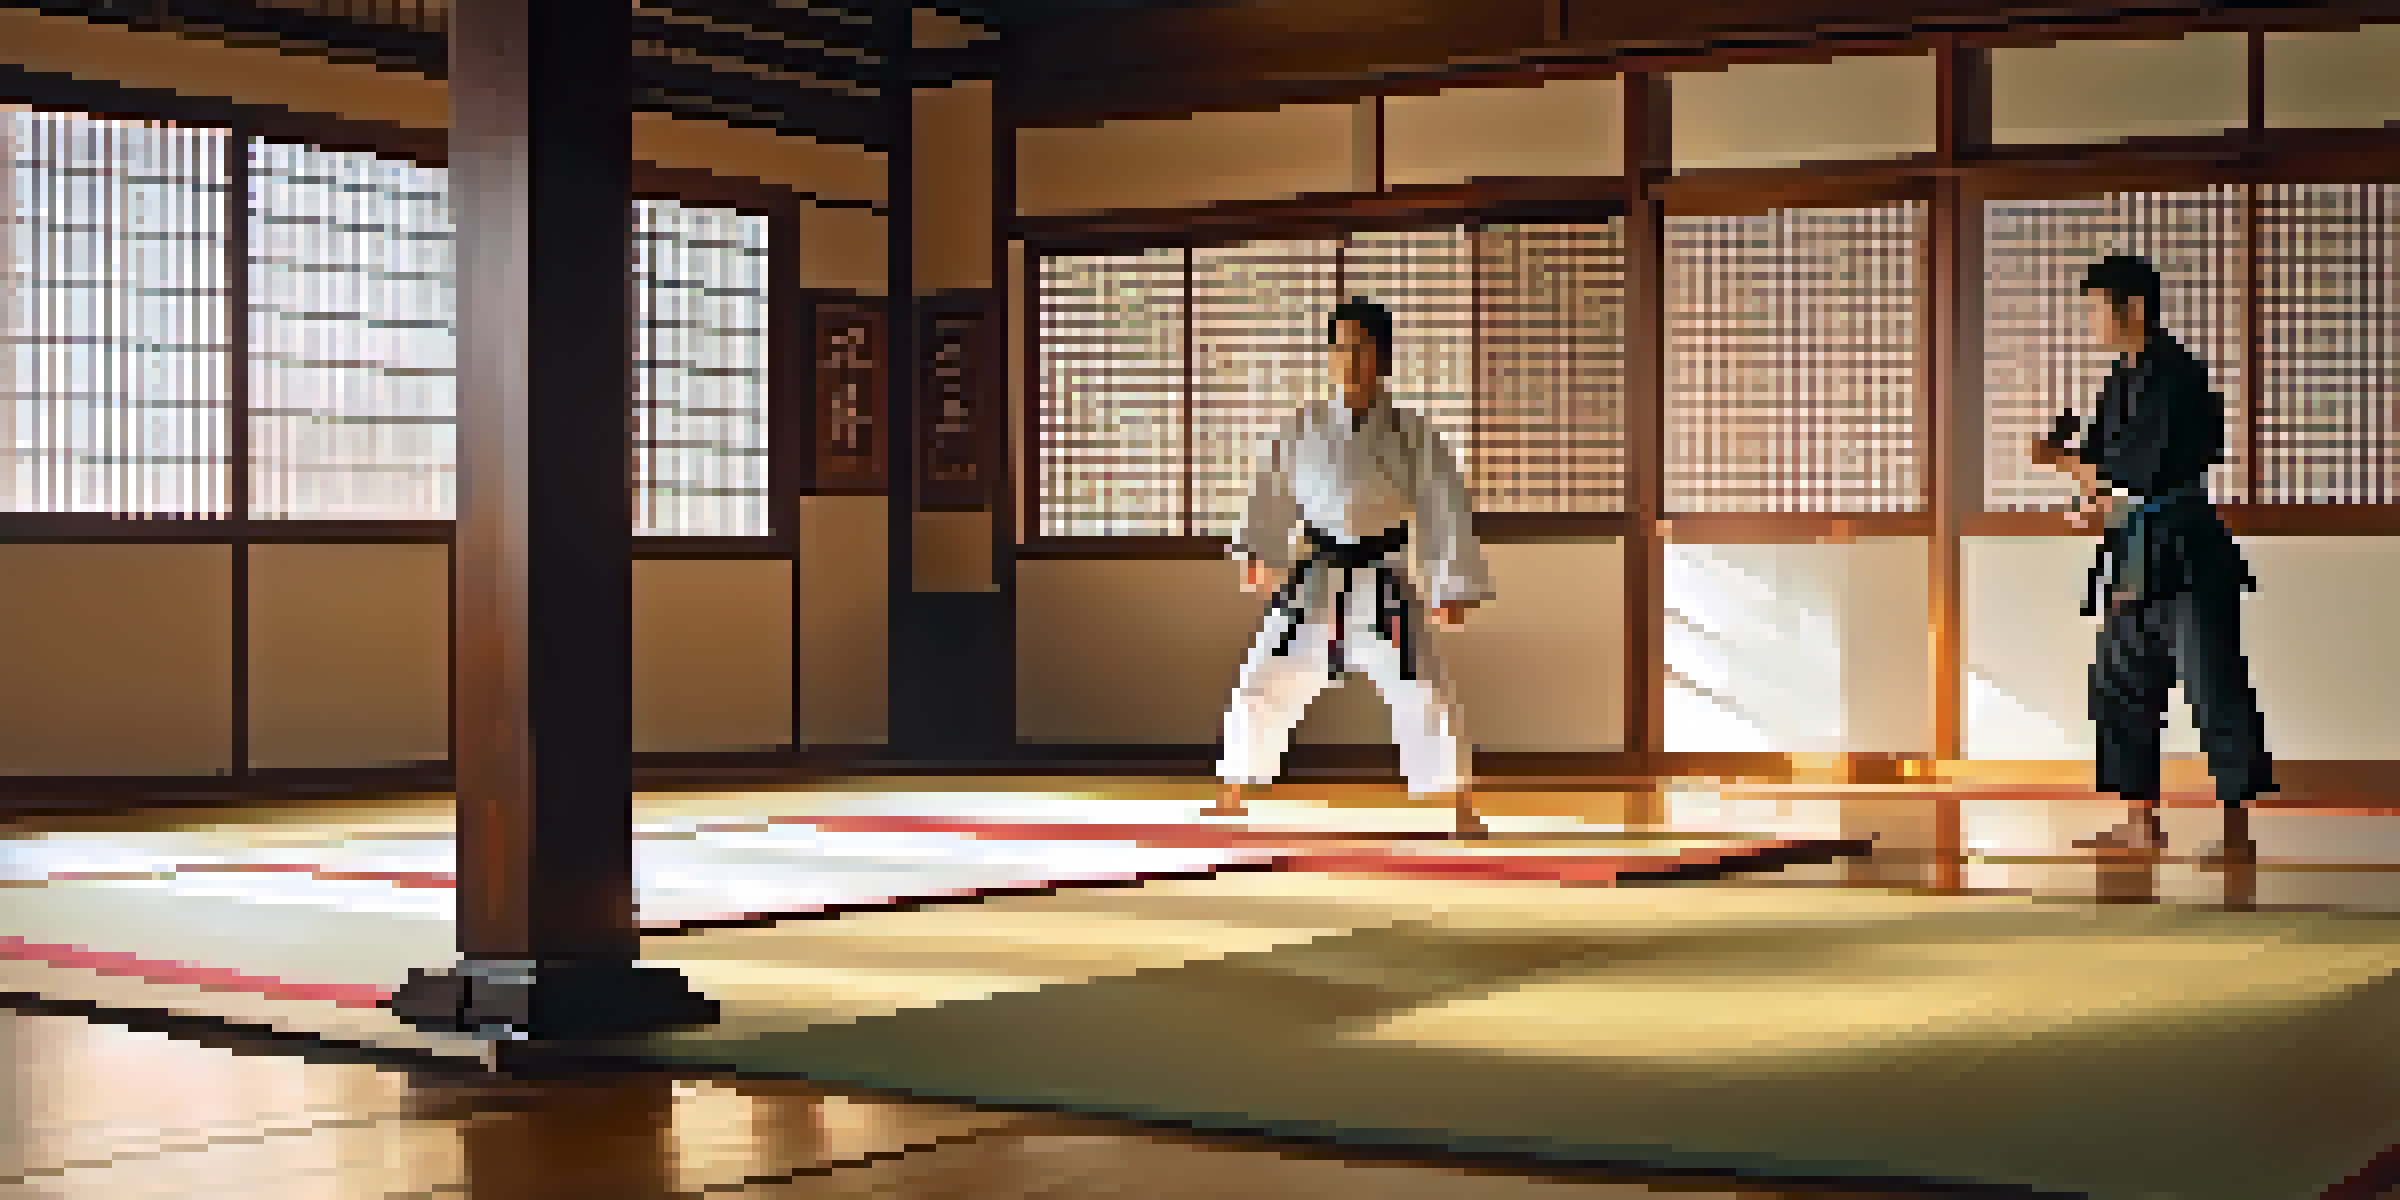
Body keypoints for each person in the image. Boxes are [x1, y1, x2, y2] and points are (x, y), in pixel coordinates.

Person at [1210, 298, 1491, 837]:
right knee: (1264, 676)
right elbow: (1269, 492)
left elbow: (1444, 507)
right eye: (1340, 347)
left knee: (1425, 688)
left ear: (1383, 357)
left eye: (1361, 348)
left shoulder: (1412, 433)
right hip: (1316, 578)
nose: (1350, 359)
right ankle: (1230, 795)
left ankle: (1461, 807)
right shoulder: (1302, 428)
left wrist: (1450, 585)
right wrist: (1258, 553)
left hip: (1383, 578)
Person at [2026, 254, 2274, 863]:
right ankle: (2139, 820)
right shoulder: (2118, 379)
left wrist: (2063, 464)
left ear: (2132, 307)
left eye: (2095, 309)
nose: (2090, 322)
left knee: (2212, 684)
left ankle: (2236, 826)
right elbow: (2103, 470)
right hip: (2132, 550)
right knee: (2121, 681)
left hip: (2185, 551)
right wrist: (2087, 501)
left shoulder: (2177, 376)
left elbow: (2138, 472)